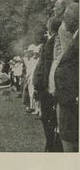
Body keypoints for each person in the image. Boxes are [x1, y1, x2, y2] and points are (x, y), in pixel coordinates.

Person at [33, 17, 62, 151]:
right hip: (48, 87)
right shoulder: (52, 43)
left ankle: (52, 146)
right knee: (51, 122)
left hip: (47, 88)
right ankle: (51, 145)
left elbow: (44, 68)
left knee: (49, 122)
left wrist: (38, 86)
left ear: (50, 29)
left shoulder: (51, 44)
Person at [54, 3, 79, 152]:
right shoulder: (75, 37)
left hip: (72, 100)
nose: (63, 23)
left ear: (75, 19)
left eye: (66, 18)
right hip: (68, 99)